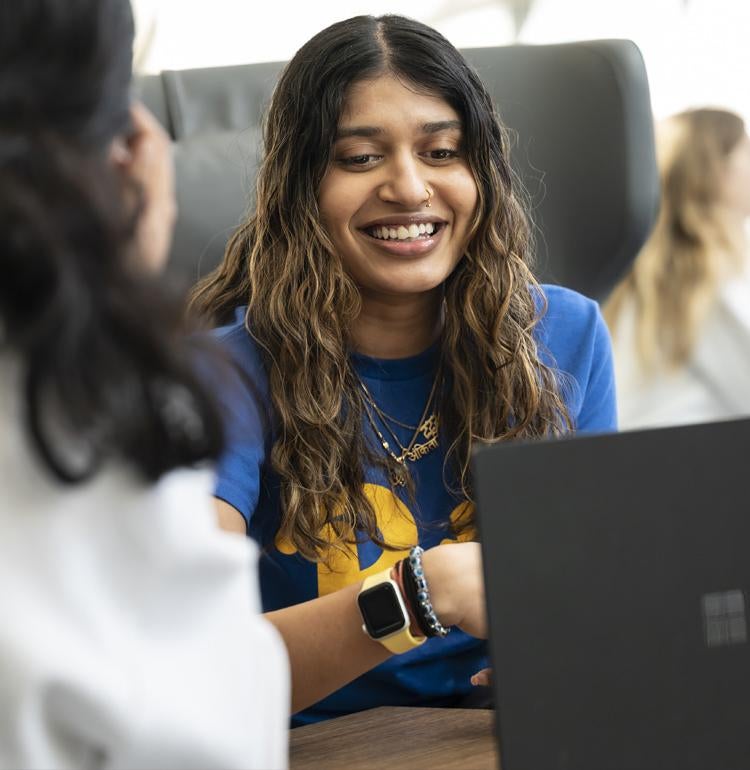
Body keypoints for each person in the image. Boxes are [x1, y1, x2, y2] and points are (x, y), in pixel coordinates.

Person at [191, 14, 616, 726]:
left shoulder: (565, 336)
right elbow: (191, 666)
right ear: (300, 189)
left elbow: (596, 593)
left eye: (442, 150)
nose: (411, 188)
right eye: (359, 158)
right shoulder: (220, 378)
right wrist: (420, 594)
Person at [0, 1, 288, 767]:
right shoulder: (123, 415)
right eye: (360, 156)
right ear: (129, 153)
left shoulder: (558, 332)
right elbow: (224, 732)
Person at [605, 108, 750, 429]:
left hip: (639, 463)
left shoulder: (642, 274)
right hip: (694, 468)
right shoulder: (707, 278)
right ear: (719, 170)